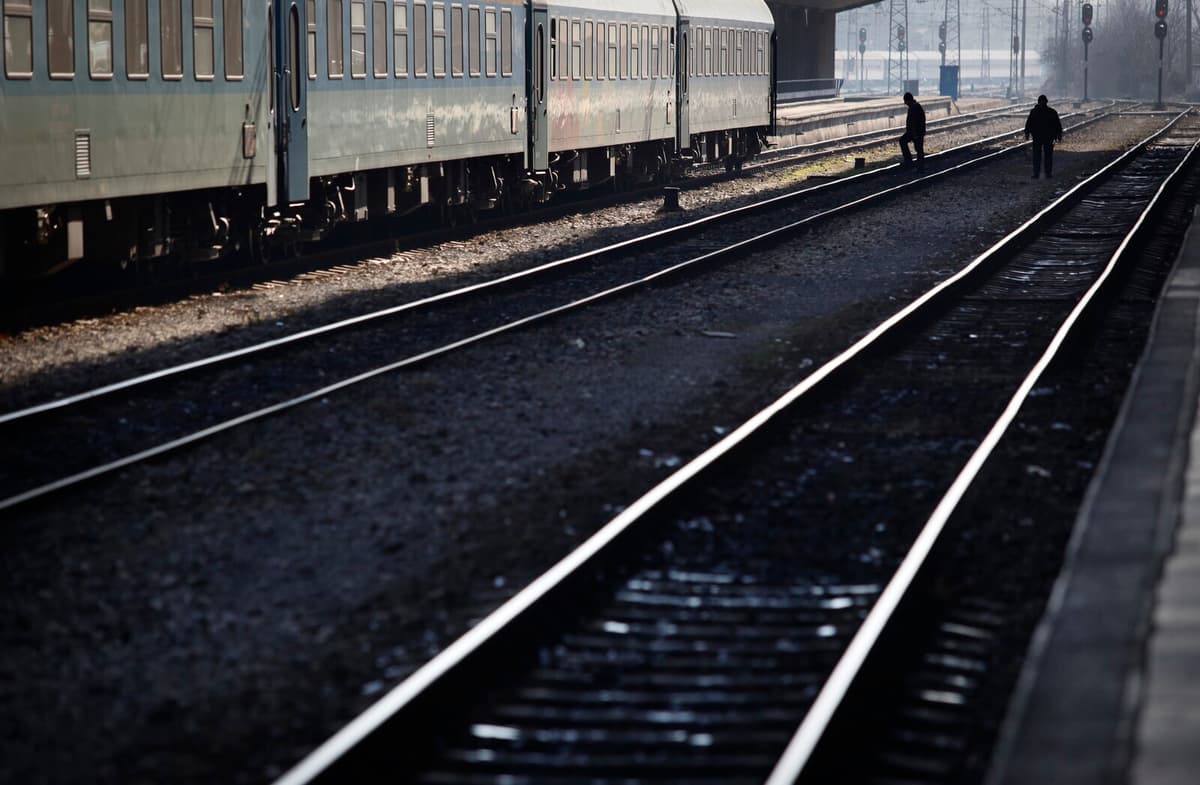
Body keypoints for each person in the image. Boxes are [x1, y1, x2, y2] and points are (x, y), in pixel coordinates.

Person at [1024, 95, 1063, 179]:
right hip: (1047, 137)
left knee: (1038, 156)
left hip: (1039, 137)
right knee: (1047, 155)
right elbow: (1057, 125)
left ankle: (1037, 173)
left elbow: (1028, 124)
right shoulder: (1051, 112)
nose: (1042, 103)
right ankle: (1046, 173)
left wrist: (1027, 133)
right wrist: (1058, 135)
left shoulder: (1034, 112)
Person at [898, 92, 926, 169]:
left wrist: (915, 134)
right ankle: (917, 165)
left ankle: (914, 164)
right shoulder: (916, 106)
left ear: (908, 100)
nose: (905, 103)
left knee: (917, 148)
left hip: (916, 132)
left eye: (905, 101)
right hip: (917, 132)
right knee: (918, 148)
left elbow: (914, 122)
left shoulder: (914, 108)